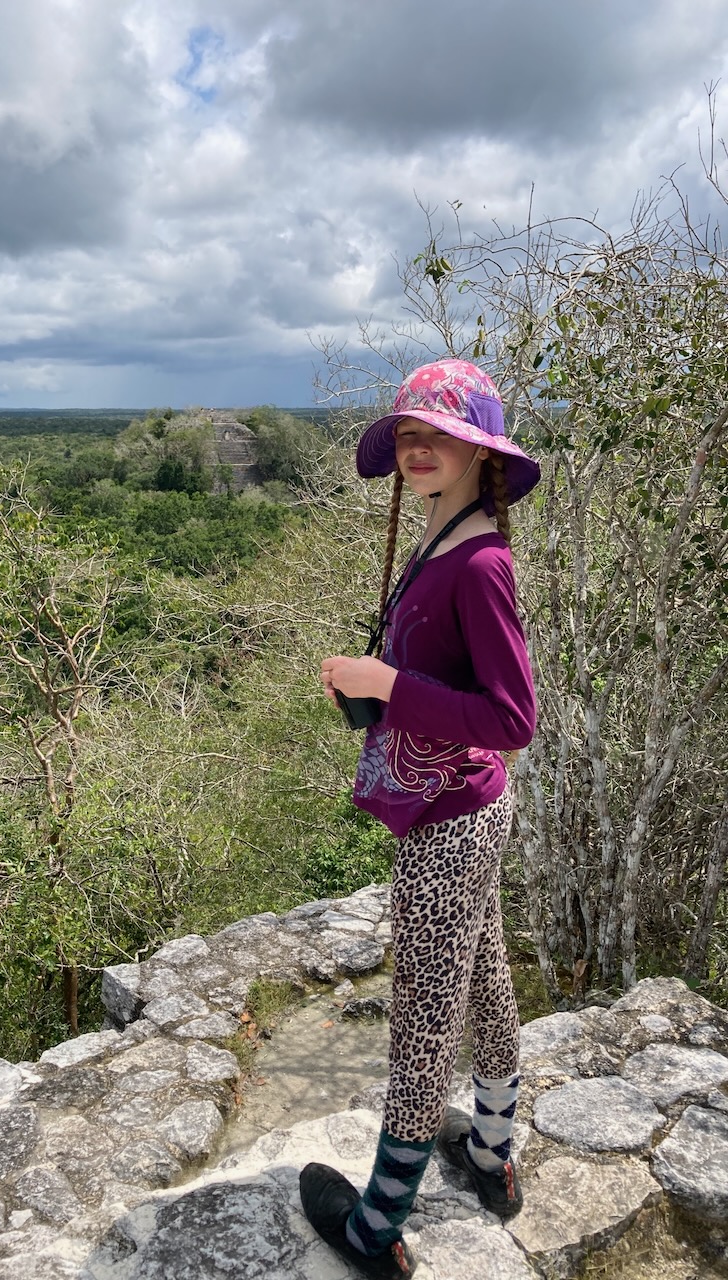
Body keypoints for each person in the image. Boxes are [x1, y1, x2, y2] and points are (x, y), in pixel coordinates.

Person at [299, 359, 541, 1278]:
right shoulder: (442, 536)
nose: (417, 448)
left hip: (452, 821)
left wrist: (388, 686)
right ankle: (491, 1157)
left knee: (423, 1014)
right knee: (484, 980)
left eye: (438, 434)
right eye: (407, 434)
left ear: (482, 451)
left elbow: (513, 720)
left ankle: (378, 1221)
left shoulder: (478, 560)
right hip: (465, 807)